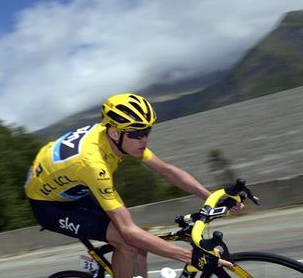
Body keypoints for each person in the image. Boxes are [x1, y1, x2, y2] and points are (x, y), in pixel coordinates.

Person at [24, 93, 242, 278]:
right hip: (49, 205)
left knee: (140, 241)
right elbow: (128, 231)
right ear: (114, 132)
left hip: (73, 185)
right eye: (137, 134)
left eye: (146, 132)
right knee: (128, 242)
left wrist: (210, 197)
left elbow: (166, 170)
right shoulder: (93, 163)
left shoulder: (119, 137)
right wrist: (190, 256)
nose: (144, 140)